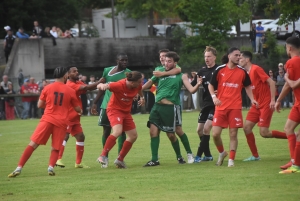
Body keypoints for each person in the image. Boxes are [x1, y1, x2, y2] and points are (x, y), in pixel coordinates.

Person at [8, 66, 81, 177]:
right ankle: (50, 167)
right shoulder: (70, 90)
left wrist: (52, 106)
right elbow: (77, 109)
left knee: (33, 144)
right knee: (56, 147)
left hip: (47, 119)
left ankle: (19, 168)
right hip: (61, 122)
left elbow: (40, 105)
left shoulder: (47, 88)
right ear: (65, 75)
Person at [142, 51, 202, 167]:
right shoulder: (159, 73)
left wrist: (198, 84)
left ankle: (187, 154)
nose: (166, 63)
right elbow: (146, 86)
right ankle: (154, 159)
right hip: (157, 107)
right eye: (165, 61)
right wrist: (136, 92)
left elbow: (191, 90)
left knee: (173, 134)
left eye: (169, 61)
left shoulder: (181, 75)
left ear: (175, 63)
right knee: (153, 132)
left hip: (171, 107)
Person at [208, 47, 258, 167]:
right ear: (229, 56)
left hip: (235, 107)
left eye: (239, 55)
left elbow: (247, 86)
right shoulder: (220, 69)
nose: (238, 57)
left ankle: (231, 160)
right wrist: (214, 97)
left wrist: (252, 99)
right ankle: (222, 153)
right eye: (236, 55)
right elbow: (211, 85)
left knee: (233, 133)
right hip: (221, 107)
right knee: (215, 134)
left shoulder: (242, 71)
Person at [238, 51, 287, 162]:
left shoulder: (256, 69)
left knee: (264, 133)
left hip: (266, 104)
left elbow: (272, 82)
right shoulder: (245, 73)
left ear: (247, 60)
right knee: (246, 128)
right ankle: (255, 156)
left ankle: (292, 137)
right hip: (256, 105)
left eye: (240, 58)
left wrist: (273, 100)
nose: (238, 60)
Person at [96, 71, 145, 168]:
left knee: (133, 136)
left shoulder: (137, 85)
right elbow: (101, 85)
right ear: (132, 82)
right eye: (139, 82)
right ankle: (103, 156)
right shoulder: (119, 85)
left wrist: (142, 97)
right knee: (117, 131)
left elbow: (140, 90)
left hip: (126, 112)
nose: (141, 84)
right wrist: (101, 85)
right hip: (114, 110)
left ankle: (120, 159)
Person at [55, 66, 101, 168]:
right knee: (64, 136)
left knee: (80, 136)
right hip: (68, 115)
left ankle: (78, 162)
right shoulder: (69, 84)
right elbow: (85, 88)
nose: (77, 73)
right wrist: (101, 81)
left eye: (77, 71)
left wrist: (101, 84)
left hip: (75, 117)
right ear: (68, 75)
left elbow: (89, 88)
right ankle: (58, 159)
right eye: (74, 71)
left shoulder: (78, 82)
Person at [90, 53, 131, 168]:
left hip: (120, 107)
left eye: (126, 60)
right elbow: (102, 87)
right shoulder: (107, 71)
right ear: (117, 60)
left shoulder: (128, 73)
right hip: (106, 105)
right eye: (122, 60)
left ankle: (119, 158)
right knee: (106, 131)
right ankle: (105, 157)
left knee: (121, 132)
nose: (124, 62)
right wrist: (94, 102)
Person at [190, 46, 219, 163]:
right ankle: (207, 155)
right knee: (199, 130)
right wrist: (197, 82)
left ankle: (197, 156)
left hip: (216, 104)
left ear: (214, 57)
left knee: (207, 128)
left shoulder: (219, 70)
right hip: (206, 104)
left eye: (209, 56)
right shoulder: (201, 72)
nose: (206, 59)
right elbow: (192, 87)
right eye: (205, 56)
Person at [276, 37, 300, 173]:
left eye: (286, 47)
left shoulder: (291, 62)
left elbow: (289, 84)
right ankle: (293, 161)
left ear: (289, 48)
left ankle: (295, 165)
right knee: (288, 128)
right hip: (298, 103)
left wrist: (279, 100)